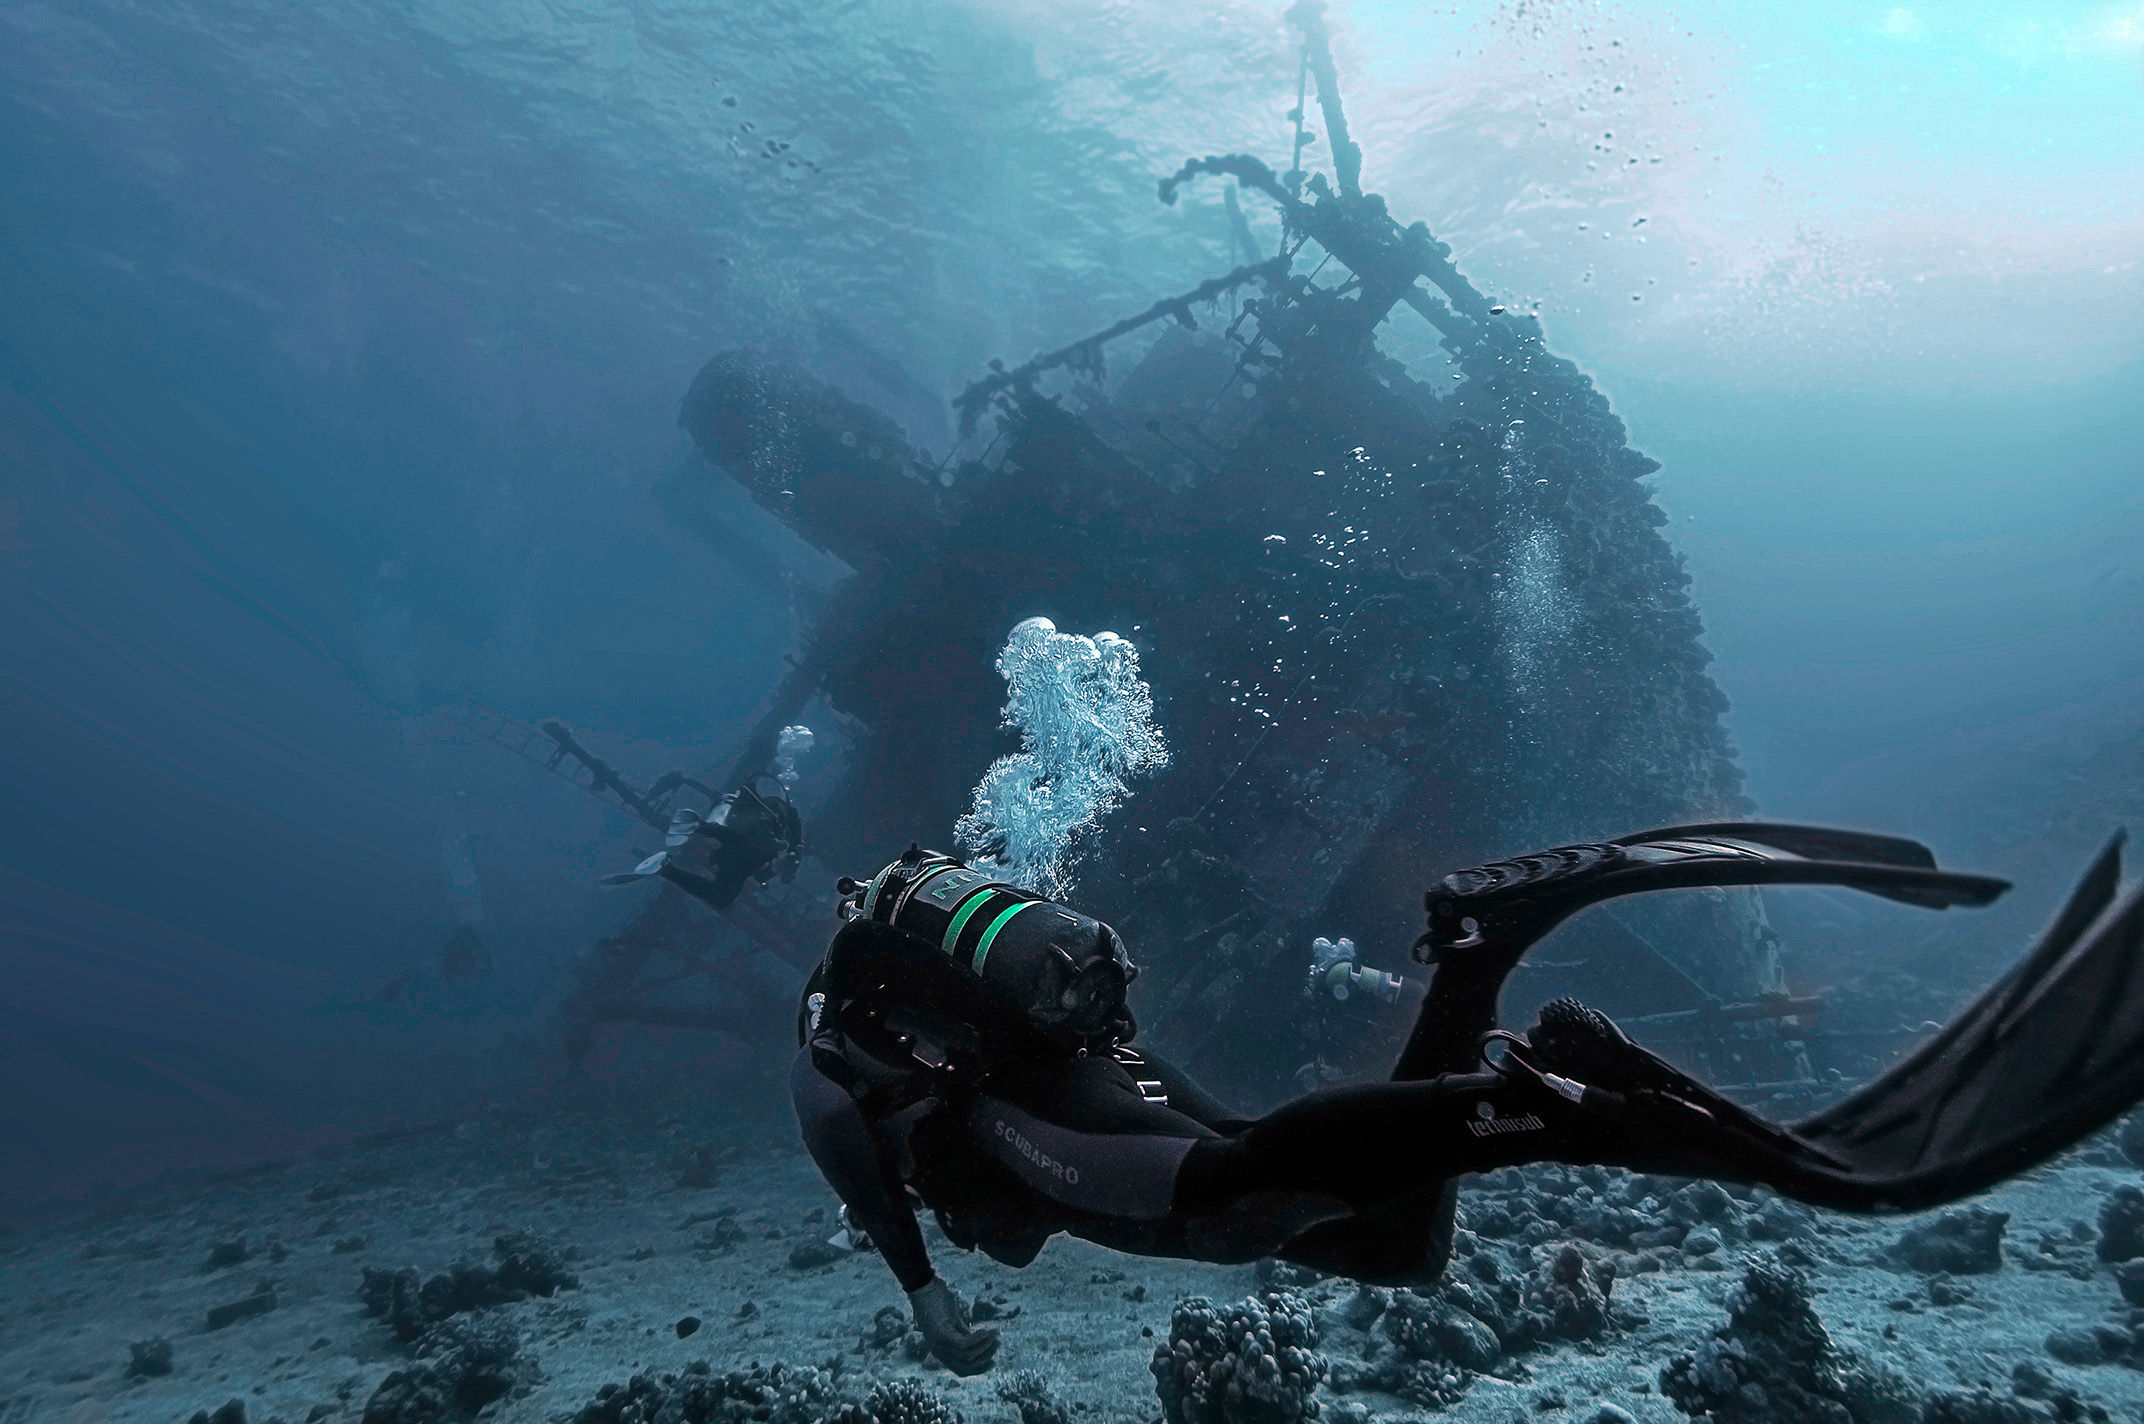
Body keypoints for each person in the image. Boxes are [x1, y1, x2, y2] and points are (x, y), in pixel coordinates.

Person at [791, 824, 2144, 1376]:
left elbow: (851, 1151)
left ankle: (1571, 1105)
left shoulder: (831, 1046)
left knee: (1233, 1206)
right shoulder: (913, 992)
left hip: (1038, 1114)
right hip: (1092, 1070)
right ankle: (1478, 952)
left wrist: (921, 1291)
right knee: (1388, 1244)